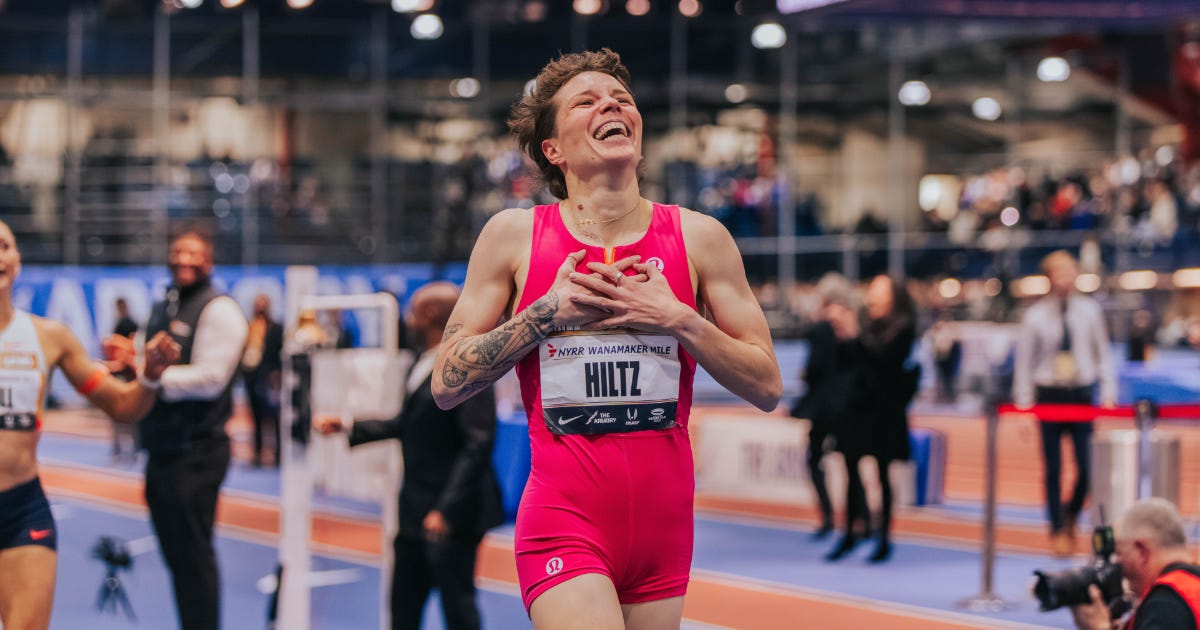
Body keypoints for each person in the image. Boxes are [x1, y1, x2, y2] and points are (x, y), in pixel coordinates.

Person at [432, 49, 781, 629]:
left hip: (664, 530)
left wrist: (679, 319)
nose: (611, 106)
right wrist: (546, 314)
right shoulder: (513, 236)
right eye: (587, 102)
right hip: (563, 521)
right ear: (553, 149)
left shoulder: (701, 238)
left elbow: (767, 385)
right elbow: (446, 382)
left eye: (621, 99)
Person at [0, 219, 179, 630]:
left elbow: (123, 406)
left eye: (4, 246)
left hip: (22, 512)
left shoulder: (50, 338)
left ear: (18, 260)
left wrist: (150, 376)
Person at [315, 282, 503, 630]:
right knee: (403, 607)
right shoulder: (422, 361)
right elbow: (408, 423)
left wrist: (445, 510)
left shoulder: (468, 365)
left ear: (429, 314)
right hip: (415, 509)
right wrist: (347, 424)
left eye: (412, 311)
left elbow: (477, 444)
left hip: (450, 517)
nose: (407, 319)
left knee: (459, 611)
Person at [107, 229, 249, 630]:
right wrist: (128, 361)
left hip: (197, 453)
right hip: (161, 451)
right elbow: (146, 365)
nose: (184, 259)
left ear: (209, 261)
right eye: (178, 251)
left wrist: (149, 374)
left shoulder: (220, 309)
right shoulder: (163, 305)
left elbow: (211, 379)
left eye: (194, 252)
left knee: (193, 561)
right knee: (178, 559)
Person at [1013, 250, 1116, 557]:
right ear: (1049, 277)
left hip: (1081, 394)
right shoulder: (1034, 316)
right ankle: (1057, 529)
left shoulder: (1090, 311)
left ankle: (1071, 513)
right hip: (1049, 396)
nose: (1066, 277)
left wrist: (1108, 392)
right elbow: (1024, 363)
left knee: (1087, 467)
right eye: (1060, 272)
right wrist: (1023, 406)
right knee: (1053, 467)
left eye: (1070, 271)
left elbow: (1103, 353)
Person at [826, 274, 918, 564]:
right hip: (857, 409)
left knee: (883, 473)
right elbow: (845, 363)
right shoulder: (864, 322)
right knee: (850, 469)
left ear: (894, 297)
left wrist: (856, 336)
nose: (872, 297)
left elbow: (883, 364)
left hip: (884, 412)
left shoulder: (903, 327)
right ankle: (851, 532)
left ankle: (884, 538)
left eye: (880, 291)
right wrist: (843, 335)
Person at [789, 272, 867, 539]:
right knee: (851, 463)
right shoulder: (855, 325)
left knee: (815, 460)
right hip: (848, 404)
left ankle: (828, 516)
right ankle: (862, 519)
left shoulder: (821, 328)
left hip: (823, 406)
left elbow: (815, 369)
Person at [1070, 497, 1200, 630]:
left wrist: (1099, 627)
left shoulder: (1165, 605)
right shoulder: (1190, 588)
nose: (1117, 564)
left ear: (1142, 552)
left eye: (1119, 553)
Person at [241, 294, 283, 468]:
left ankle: (279, 454)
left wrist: (276, 373)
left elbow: (279, 353)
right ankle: (257, 453)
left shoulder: (275, 328)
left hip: (269, 378)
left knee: (274, 416)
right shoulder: (249, 327)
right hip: (252, 376)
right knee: (255, 416)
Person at [107, 297, 141, 461]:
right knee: (116, 414)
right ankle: (119, 447)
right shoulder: (121, 324)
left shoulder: (128, 325)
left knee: (130, 414)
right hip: (120, 375)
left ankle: (131, 448)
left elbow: (130, 353)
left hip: (128, 377)